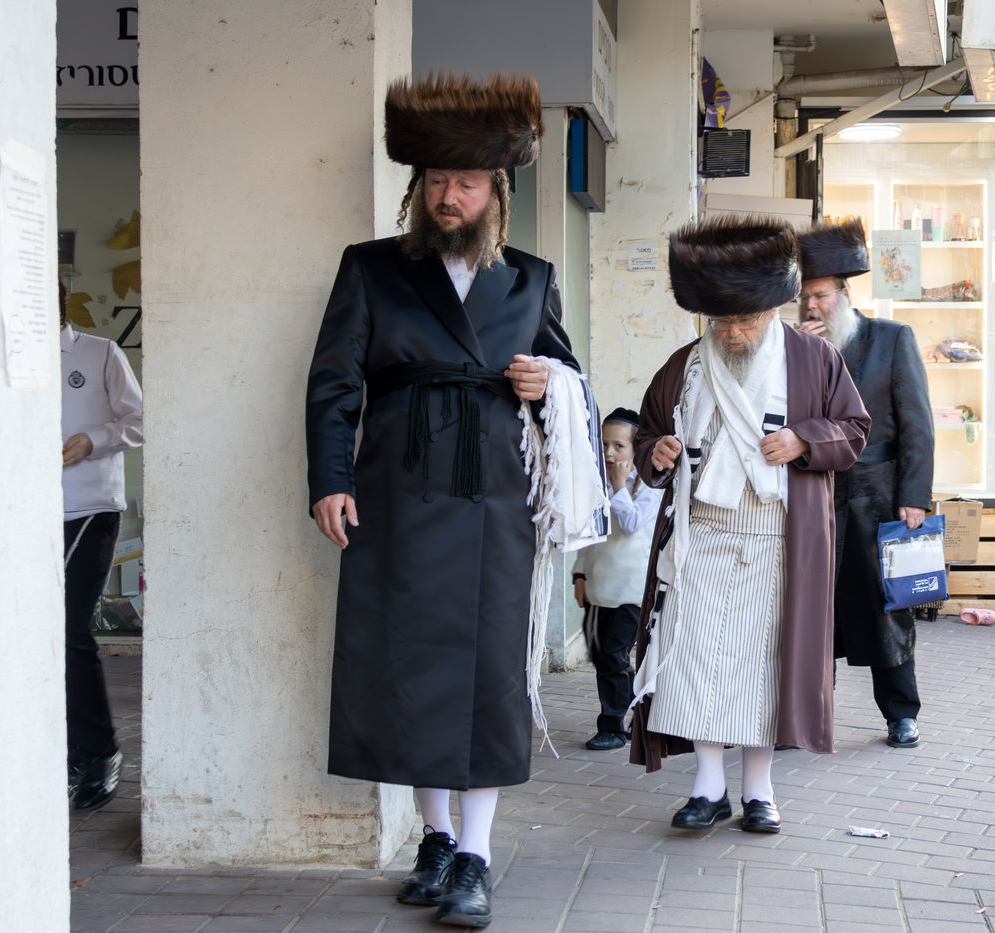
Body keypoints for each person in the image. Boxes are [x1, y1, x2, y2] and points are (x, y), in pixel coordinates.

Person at [305, 73, 602, 929]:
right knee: (407, 665)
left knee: (487, 672)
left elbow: (572, 382)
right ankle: (434, 837)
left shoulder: (532, 279)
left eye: (464, 183)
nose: (447, 196)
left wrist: (550, 381)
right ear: (416, 187)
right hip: (395, 493)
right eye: (435, 180)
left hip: (497, 500)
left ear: (496, 191)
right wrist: (331, 479)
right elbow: (334, 384)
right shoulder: (372, 268)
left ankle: (475, 853)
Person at [628, 217, 870, 835]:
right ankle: (707, 787)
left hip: (777, 537)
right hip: (700, 535)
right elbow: (649, 434)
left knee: (764, 665)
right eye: (722, 322)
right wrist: (658, 451)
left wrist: (804, 439)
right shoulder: (685, 364)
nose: (734, 333)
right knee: (694, 658)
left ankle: (759, 791)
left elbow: (853, 430)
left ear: (772, 309)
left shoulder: (815, 358)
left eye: (748, 321)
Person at [795, 220, 934, 749]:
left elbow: (917, 423)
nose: (813, 306)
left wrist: (914, 497)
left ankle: (901, 714)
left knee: (886, 606)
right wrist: (799, 360)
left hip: (878, 496)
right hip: (813, 494)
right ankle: (810, 716)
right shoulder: (792, 348)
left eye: (822, 296)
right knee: (813, 607)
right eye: (805, 298)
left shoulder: (891, 339)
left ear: (844, 294)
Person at [59, 282, 144, 812]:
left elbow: (140, 421)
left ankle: (99, 753)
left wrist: (94, 440)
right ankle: (59, 749)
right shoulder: (5, 357)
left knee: (67, 628)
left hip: (88, 509)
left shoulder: (100, 352)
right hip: (20, 513)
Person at [572, 408, 661, 751]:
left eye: (618, 446)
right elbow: (588, 533)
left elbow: (631, 524)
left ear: (637, 448)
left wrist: (621, 487)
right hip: (598, 587)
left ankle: (612, 725)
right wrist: (580, 574)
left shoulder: (648, 484)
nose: (609, 453)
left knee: (613, 653)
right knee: (602, 654)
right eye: (604, 444)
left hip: (631, 591)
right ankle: (629, 713)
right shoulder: (596, 482)